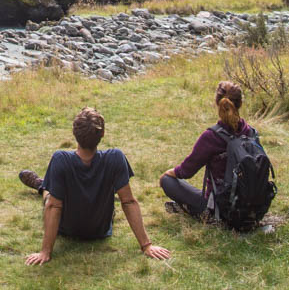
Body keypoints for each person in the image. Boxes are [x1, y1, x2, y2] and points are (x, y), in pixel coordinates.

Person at [17, 107, 171, 265]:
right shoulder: (115, 157)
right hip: (101, 230)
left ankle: (41, 185)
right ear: (102, 134)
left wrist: (45, 251)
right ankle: (42, 184)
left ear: (74, 134)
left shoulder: (60, 159)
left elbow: (53, 207)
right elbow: (128, 201)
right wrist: (147, 246)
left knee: (50, 197)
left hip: (66, 229)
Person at [160, 80, 252, 222]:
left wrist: (169, 173)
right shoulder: (250, 132)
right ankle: (188, 208)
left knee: (167, 181)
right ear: (241, 103)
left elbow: (186, 171)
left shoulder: (211, 137)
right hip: (250, 204)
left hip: (221, 208)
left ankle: (200, 212)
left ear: (217, 103)